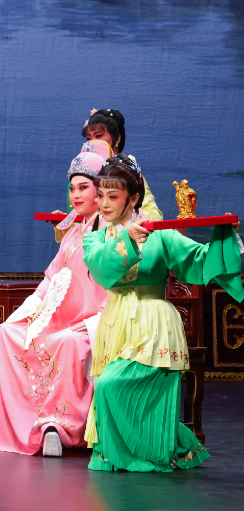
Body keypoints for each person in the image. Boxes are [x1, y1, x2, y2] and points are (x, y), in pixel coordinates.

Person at [82, 156, 242, 472]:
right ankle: (144, 450)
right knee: (115, 390)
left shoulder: (161, 235)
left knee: (112, 385)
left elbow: (199, 261)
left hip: (152, 322)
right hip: (115, 321)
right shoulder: (96, 238)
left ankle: (150, 453)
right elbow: (100, 270)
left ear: (133, 198)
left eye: (113, 196)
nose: (104, 203)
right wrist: (127, 238)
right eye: (100, 195)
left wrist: (225, 237)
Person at [0, 148, 108, 456]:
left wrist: (93, 322)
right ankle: (4, 422)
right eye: (72, 188)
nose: (75, 195)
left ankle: (57, 426)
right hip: (59, 319)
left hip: (89, 323)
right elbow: (50, 279)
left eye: (83, 187)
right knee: (7, 335)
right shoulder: (73, 231)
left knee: (68, 343)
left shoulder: (111, 232)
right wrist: (20, 316)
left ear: (101, 190)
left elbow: (116, 289)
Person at [81, 108, 162, 221]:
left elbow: (153, 215)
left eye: (98, 136)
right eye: (89, 139)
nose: (92, 143)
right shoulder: (82, 175)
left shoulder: (128, 173)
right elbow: (81, 216)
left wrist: (126, 222)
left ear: (118, 138)